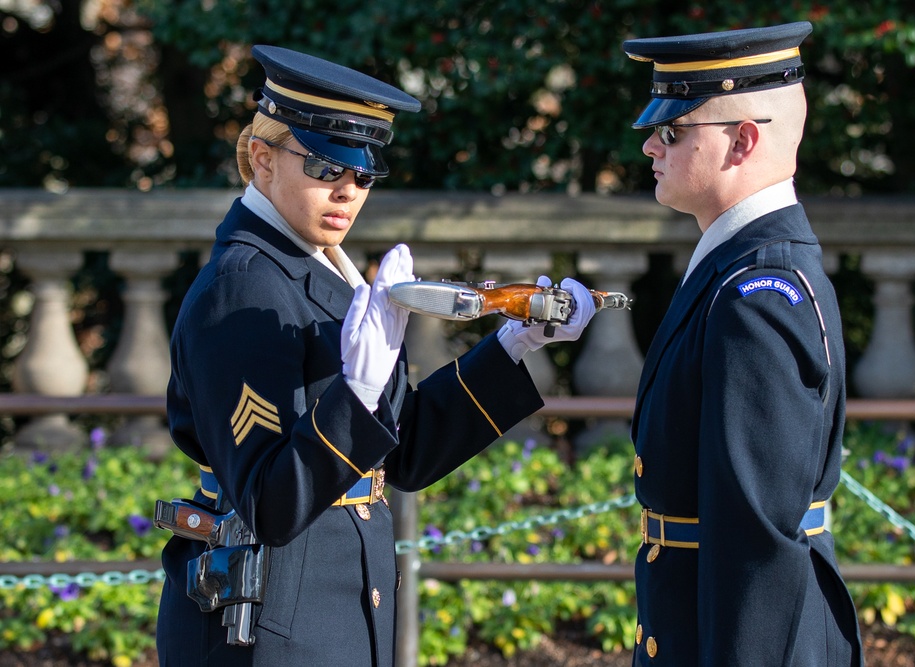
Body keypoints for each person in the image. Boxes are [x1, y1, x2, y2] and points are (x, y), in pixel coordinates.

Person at [155, 45, 596, 666]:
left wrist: (513, 346)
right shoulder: (243, 287)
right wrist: (356, 395)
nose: (347, 191)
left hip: (329, 614)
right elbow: (269, 503)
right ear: (262, 158)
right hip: (270, 626)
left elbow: (403, 453)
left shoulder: (320, 273)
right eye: (325, 167)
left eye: (363, 175)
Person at [623, 22, 864, 665]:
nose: (651, 146)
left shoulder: (756, 294)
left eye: (672, 131)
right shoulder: (737, 270)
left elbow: (757, 537)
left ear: (743, 142)